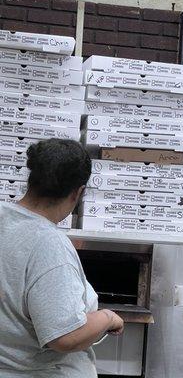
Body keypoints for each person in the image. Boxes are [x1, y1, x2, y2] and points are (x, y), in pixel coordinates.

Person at [0, 138, 124, 378]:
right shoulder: (48, 244)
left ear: (31, 179)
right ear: (78, 192)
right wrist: (108, 318)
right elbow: (65, 337)